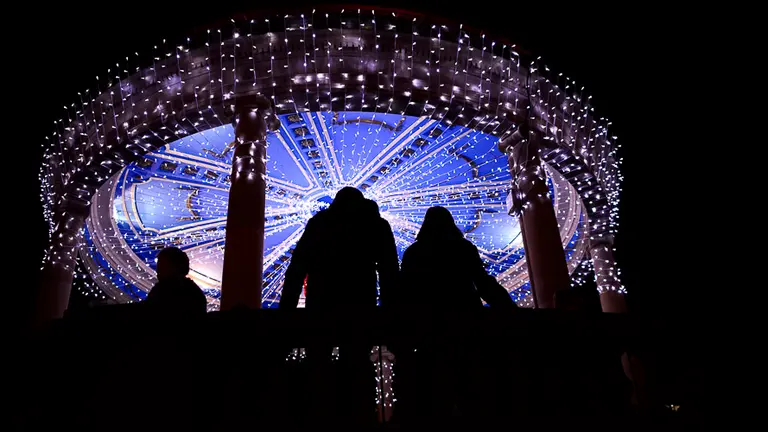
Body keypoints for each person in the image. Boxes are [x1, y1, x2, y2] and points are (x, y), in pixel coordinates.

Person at [280, 187, 399, 425]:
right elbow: (389, 272)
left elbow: (297, 267)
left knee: (318, 364)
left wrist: (287, 311)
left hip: (321, 303)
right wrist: (390, 309)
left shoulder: (320, 222)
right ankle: (359, 418)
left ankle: (319, 417)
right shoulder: (375, 225)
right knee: (357, 361)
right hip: (360, 303)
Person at [394, 206, 515, 423]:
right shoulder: (462, 248)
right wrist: (507, 307)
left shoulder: (414, 252)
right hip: (465, 322)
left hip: (428, 328)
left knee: (433, 390)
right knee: (468, 386)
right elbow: (483, 281)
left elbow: (405, 291)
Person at [144, 247, 207, 317]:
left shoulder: (165, 291)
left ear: (174, 268)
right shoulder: (194, 292)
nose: (158, 271)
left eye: (162, 267)